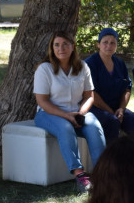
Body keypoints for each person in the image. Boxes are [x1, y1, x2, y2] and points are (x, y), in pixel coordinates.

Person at [34, 31, 106, 194]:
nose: (61, 48)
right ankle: (80, 175)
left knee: (95, 127)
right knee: (66, 128)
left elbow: (89, 96)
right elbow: (42, 101)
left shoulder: (82, 67)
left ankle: (103, 175)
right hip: (48, 114)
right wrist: (67, 116)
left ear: (73, 47)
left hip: (77, 112)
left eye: (65, 44)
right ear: (52, 48)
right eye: (57, 45)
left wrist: (80, 113)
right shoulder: (44, 69)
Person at [83, 27, 134, 141]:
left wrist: (121, 108)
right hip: (95, 108)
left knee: (133, 119)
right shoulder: (90, 64)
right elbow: (91, 94)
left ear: (116, 46)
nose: (109, 46)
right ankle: (112, 158)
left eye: (112, 43)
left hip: (116, 108)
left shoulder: (119, 63)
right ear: (98, 44)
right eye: (105, 42)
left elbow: (127, 89)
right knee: (111, 121)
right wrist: (110, 112)